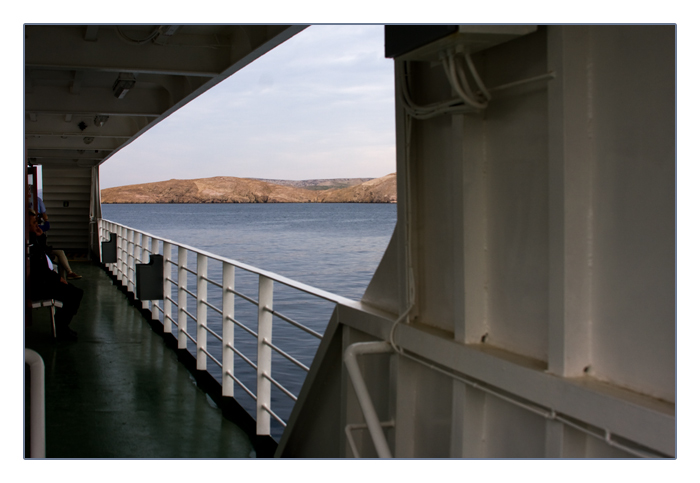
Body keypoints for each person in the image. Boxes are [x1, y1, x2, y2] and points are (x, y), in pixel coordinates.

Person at [27, 209, 83, 340]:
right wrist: (58, 278)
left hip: (40, 281)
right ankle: (61, 327)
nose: (37, 225)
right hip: (37, 287)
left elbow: (43, 256)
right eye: (34, 223)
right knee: (75, 294)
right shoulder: (28, 245)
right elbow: (38, 267)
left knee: (74, 292)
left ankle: (61, 325)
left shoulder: (31, 240)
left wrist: (41, 237)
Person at [27, 185, 81, 280]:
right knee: (59, 257)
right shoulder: (37, 200)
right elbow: (46, 227)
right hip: (40, 254)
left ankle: (67, 275)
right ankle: (66, 276)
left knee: (60, 254)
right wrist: (46, 220)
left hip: (41, 251)